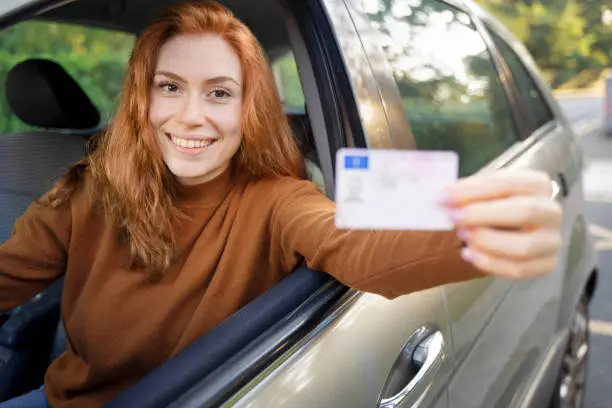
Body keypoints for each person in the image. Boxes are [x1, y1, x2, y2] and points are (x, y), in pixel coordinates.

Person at [0, 1, 562, 407]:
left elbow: (356, 242)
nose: (191, 115)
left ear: (249, 110)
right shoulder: (83, 189)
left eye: (219, 92)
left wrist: (474, 232)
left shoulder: (279, 198)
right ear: (141, 100)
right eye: (170, 87)